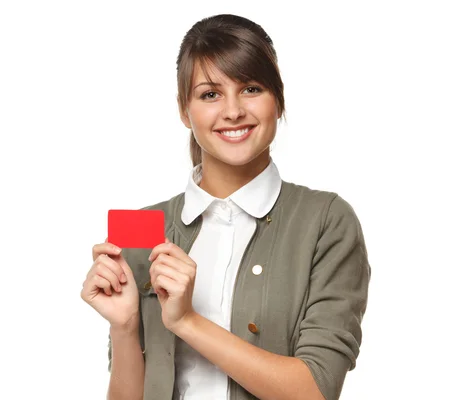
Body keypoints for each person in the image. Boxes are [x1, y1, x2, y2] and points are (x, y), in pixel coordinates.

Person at [81, 13, 371, 400]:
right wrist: (125, 326)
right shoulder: (139, 228)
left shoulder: (326, 221)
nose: (232, 111)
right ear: (185, 110)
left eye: (251, 88)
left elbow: (314, 391)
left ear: (278, 100)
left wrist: (187, 321)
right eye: (210, 94)